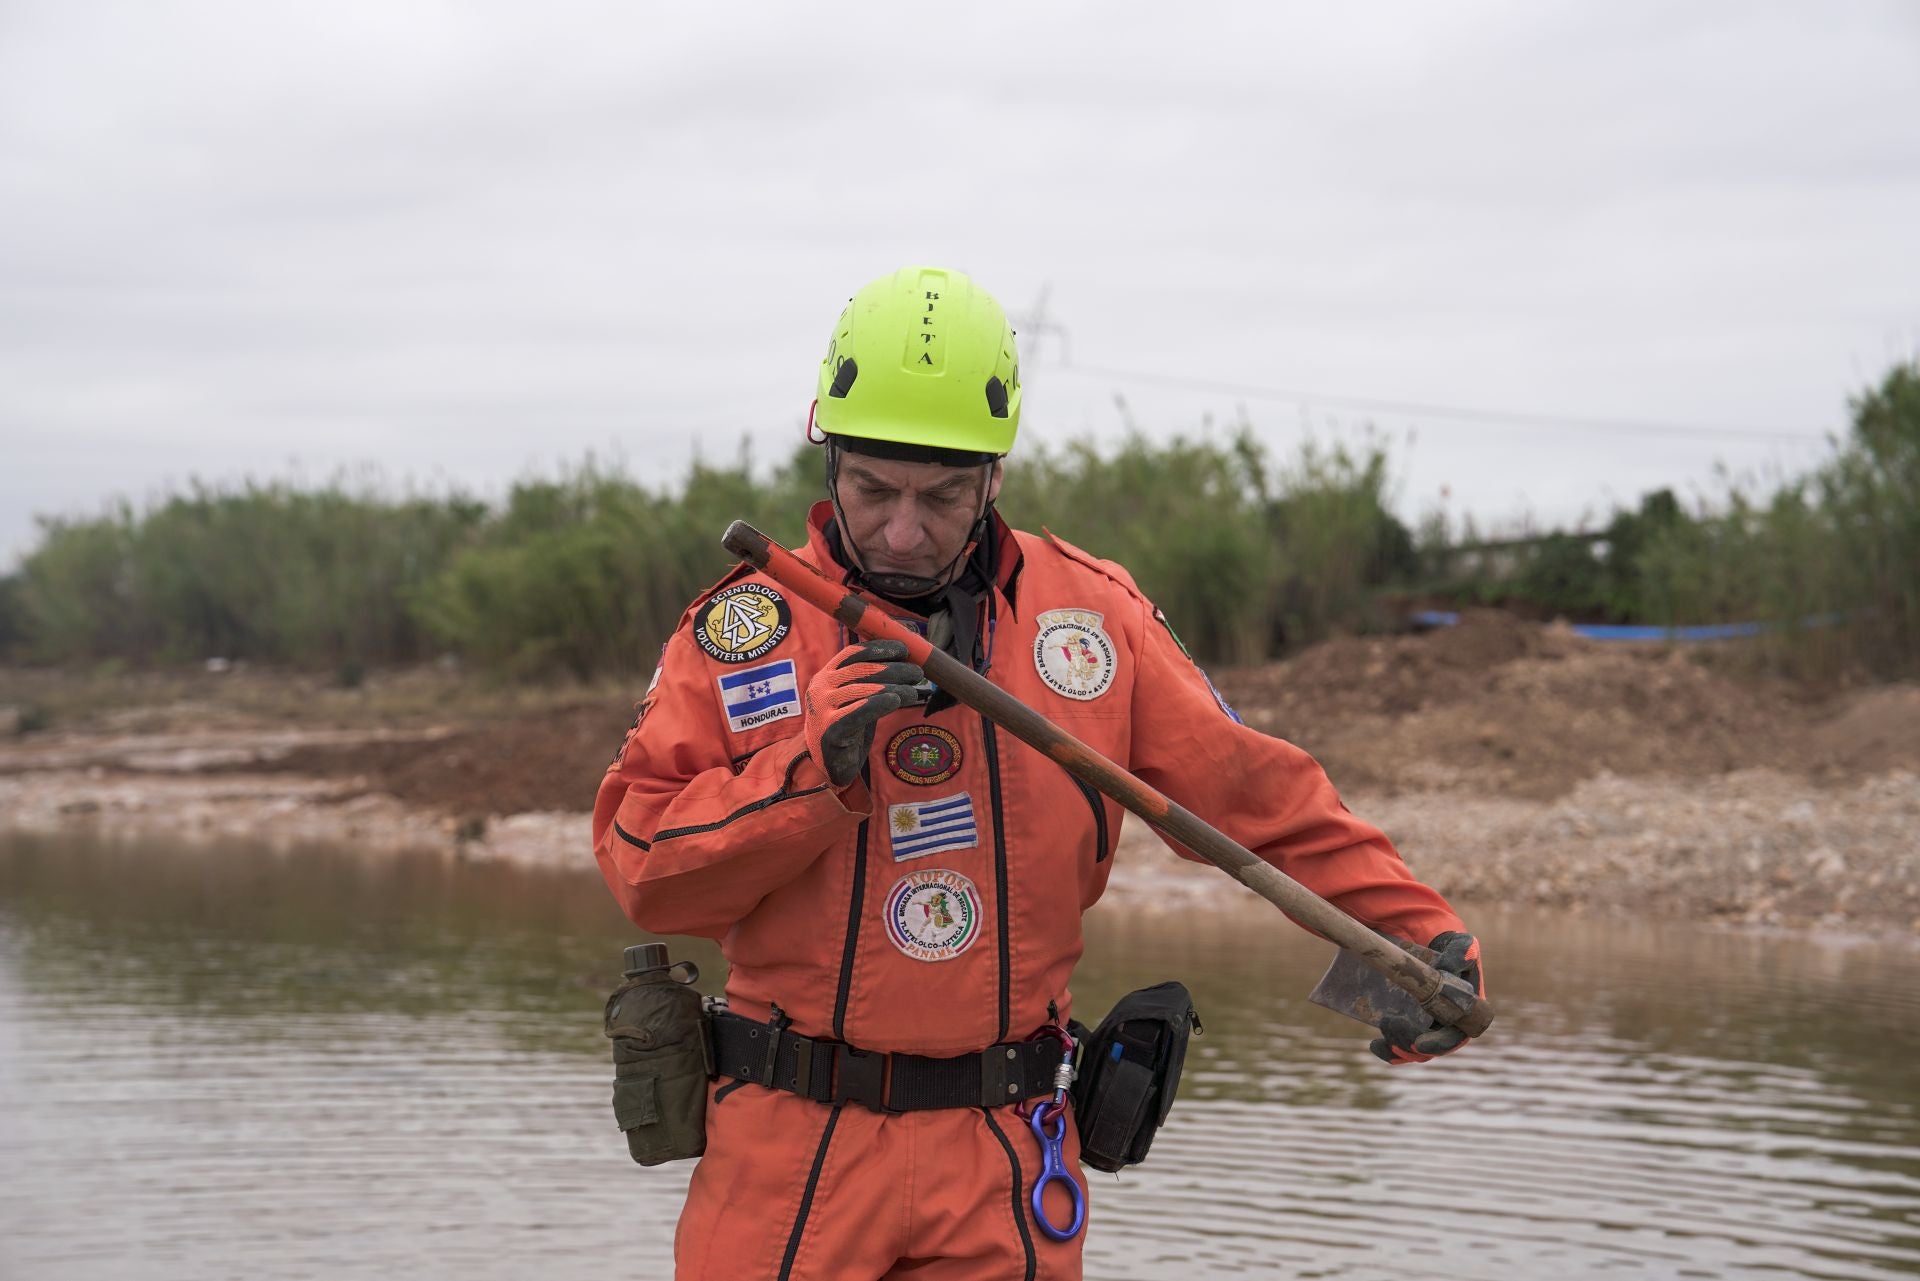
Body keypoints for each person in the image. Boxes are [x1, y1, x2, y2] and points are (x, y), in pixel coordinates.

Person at [592, 265, 1485, 1281]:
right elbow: (641, 869)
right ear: (825, 451)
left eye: (941, 496)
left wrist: (1416, 942)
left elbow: (1259, 801)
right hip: (788, 1152)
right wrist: (813, 771)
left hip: (1008, 1157)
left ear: (996, 477)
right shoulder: (742, 633)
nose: (901, 529)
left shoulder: (1092, 622)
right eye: (873, 488)